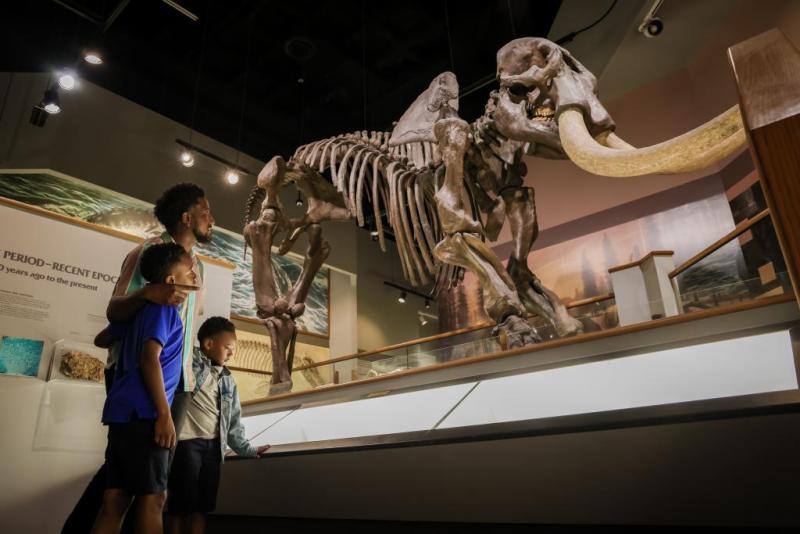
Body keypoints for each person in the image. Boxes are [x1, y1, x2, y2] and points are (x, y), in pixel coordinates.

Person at [62, 183, 214, 534]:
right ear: (187, 217)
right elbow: (115, 311)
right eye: (206, 212)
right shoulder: (148, 252)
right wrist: (148, 292)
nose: (212, 219)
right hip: (143, 379)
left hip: (177, 381)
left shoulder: (199, 267)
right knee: (146, 486)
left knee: (132, 481)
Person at [92, 243, 198, 534]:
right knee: (154, 498)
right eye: (189, 271)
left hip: (122, 413)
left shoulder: (140, 310)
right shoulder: (164, 312)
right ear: (170, 281)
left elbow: (102, 339)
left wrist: (129, 327)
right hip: (146, 413)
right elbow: (149, 357)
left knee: (116, 497)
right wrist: (164, 414)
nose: (194, 278)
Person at [167, 317, 270, 534]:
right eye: (228, 347)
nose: (232, 353)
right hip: (187, 446)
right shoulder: (188, 363)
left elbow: (233, 420)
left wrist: (247, 449)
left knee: (202, 507)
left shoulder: (227, 379)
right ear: (208, 344)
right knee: (180, 507)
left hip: (213, 449)